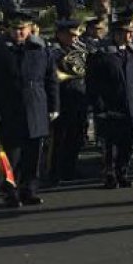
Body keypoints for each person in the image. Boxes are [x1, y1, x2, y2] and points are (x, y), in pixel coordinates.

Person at [0, 11, 58, 207]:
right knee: (10, 156)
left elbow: (51, 80)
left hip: (36, 107)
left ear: (30, 29)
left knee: (33, 154)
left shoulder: (40, 48)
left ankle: (28, 190)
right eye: (15, 29)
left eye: (23, 29)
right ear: (8, 29)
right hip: (8, 109)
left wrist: (54, 106)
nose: (19, 33)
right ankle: (9, 192)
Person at [87, 19, 133, 189]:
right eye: (126, 32)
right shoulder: (102, 55)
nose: (130, 35)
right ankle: (110, 174)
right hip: (112, 105)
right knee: (111, 144)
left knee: (128, 142)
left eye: (131, 32)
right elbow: (93, 83)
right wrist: (99, 106)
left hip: (132, 105)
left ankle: (123, 172)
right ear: (116, 34)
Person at [47, 20, 88, 184]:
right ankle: (53, 171)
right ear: (60, 34)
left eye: (76, 35)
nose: (75, 38)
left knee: (75, 137)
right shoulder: (54, 52)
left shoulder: (78, 49)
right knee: (58, 139)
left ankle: (69, 168)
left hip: (78, 99)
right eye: (71, 35)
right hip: (62, 101)